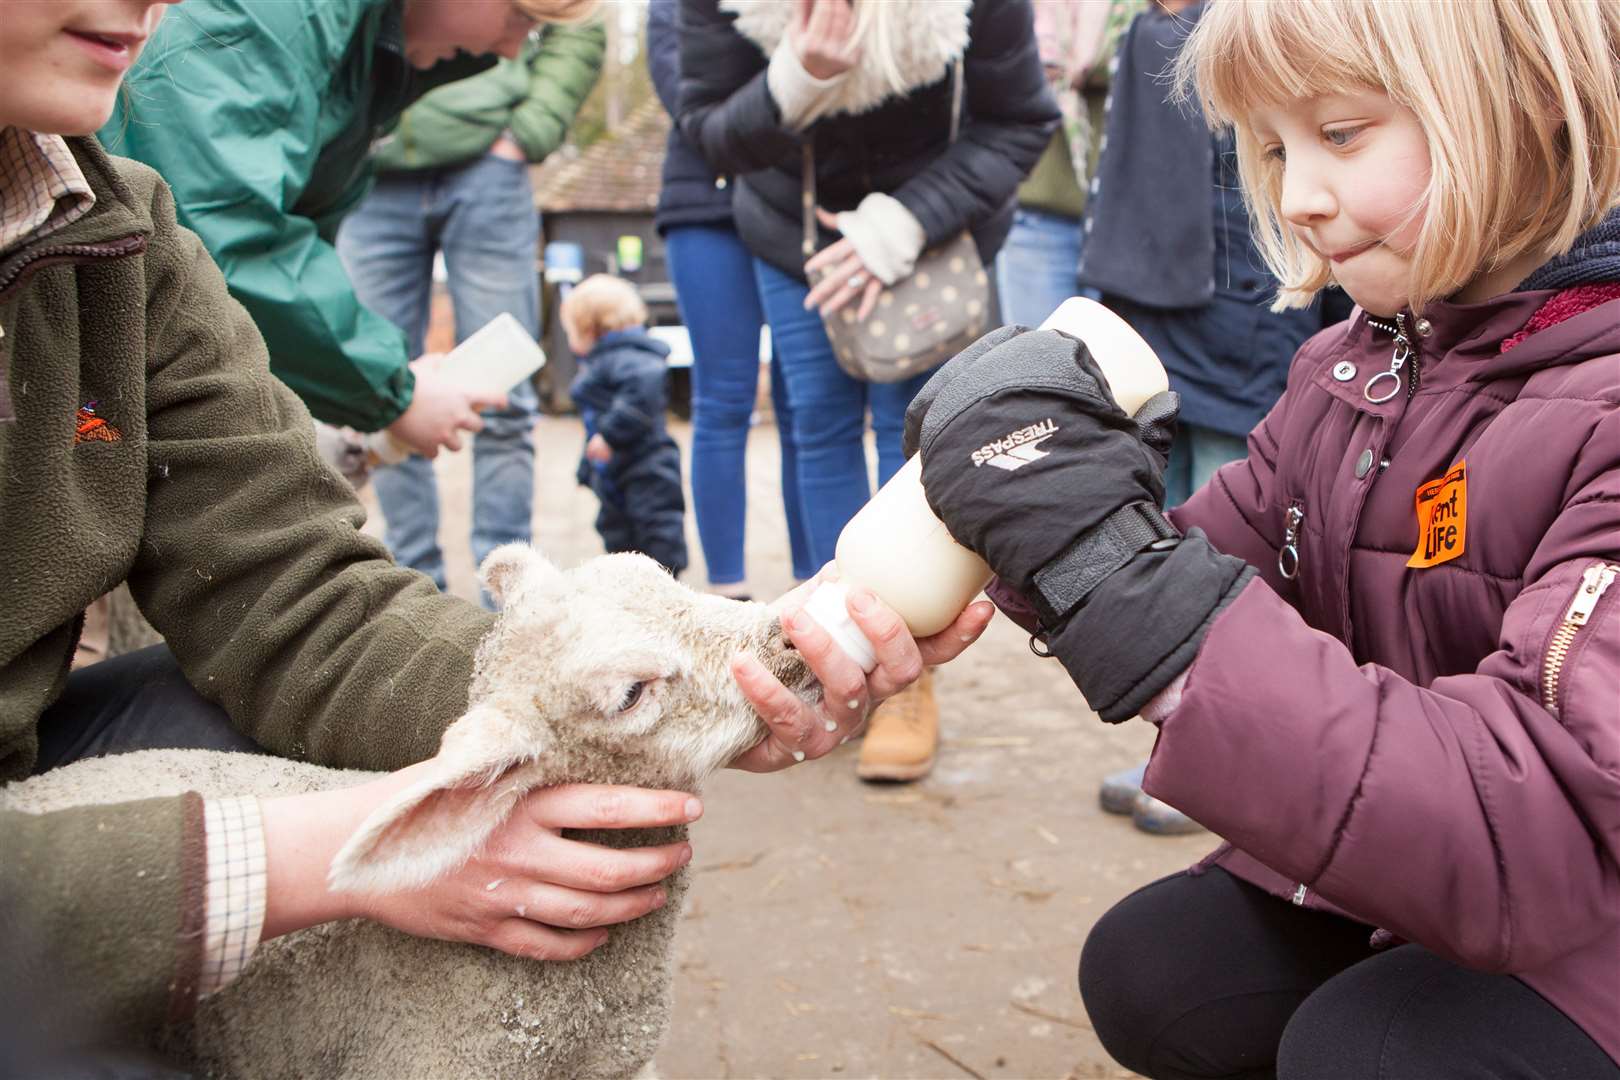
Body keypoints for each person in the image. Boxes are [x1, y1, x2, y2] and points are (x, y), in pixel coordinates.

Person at [0, 1, 993, 1067]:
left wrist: (707, 687)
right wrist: (310, 861)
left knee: (308, 727)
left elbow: (294, 594)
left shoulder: (114, 226)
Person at [905, 0, 1620, 1074]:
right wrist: (1035, 517)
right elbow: (1217, 565)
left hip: (1570, 880)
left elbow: (1543, 816)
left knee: (1367, 1053)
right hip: (1455, 860)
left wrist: (1114, 573)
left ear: (1524, 99)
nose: (1295, 197)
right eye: (1274, 148)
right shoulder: (1365, 357)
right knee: (1156, 971)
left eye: (1339, 135)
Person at [677, 0, 1058, 782]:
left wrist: (899, 225)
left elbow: (1020, 120)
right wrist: (799, 74)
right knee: (816, 426)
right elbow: (710, 132)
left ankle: (905, 680)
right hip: (797, 236)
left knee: (918, 445)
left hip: (934, 229)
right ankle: (834, 656)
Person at [1077, 0, 1345, 835]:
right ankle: (1191, 742)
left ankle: (1244, 753)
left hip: (1250, 288)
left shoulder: (1283, 23)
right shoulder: (1154, 25)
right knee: (1176, 521)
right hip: (1162, 289)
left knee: (1243, 530)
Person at [97, 0, 567, 463]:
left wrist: (384, 383)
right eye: (520, 16)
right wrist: (394, 390)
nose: (510, 51)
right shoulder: (278, 20)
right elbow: (224, 229)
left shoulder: (366, 54)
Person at [335, 15, 606, 601]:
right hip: (368, 171)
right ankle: (411, 598)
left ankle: (508, 603)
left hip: (489, 164)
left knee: (504, 393)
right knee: (384, 393)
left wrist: (528, 131)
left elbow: (579, 22)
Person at [647, 0, 813, 602]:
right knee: (722, 396)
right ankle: (726, 593)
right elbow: (690, 94)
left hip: (793, 204)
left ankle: (812, 583)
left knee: (804, 402)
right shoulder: (673, 8)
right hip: (706, 205)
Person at [992, 0, 1141, 328]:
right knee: (1038, 364)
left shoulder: (1145, 13)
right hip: (1039, 213)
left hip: (1128, 220)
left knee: (1121, 372)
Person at [562, 274, 690, 578]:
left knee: (656, 529)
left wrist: (609, 435)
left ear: (588, 328)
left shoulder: (631, 357)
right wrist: (588, 468)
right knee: (617, 531)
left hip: (647, 466)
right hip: (617, 472)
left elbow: (640, 397)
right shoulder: (607, 359)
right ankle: (628, 588)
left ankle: (666, 589)